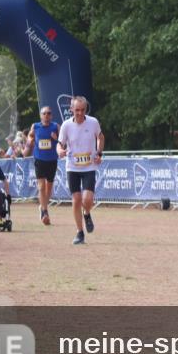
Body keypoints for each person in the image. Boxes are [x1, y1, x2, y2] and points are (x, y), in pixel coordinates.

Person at [57, 96, 104, 245]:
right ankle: (79, 232)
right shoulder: (66, 126)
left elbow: (100, 137)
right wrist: (60, 151)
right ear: (71, 109)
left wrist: (99, 153)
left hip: (89, 166)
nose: (79, 113)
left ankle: (87, 213)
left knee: (87, 199)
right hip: (72, 167)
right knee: (76, 199)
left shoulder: (93, 122)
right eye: (77, 110)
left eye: (82, 110)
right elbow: (59, 144)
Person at [26, 106, 60, 225]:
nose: (46, 115)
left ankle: (42, 206)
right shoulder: (35, 126)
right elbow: (30, 136)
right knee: (41, 187)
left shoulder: (55, 126)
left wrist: (57, 139)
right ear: (40, 116)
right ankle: (44, 212)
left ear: (51, 115)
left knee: (49, 187)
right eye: (44, 113)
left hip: (52, 160)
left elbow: (63, 142)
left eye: (48, 113)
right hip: (39, 159)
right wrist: (29, 141)